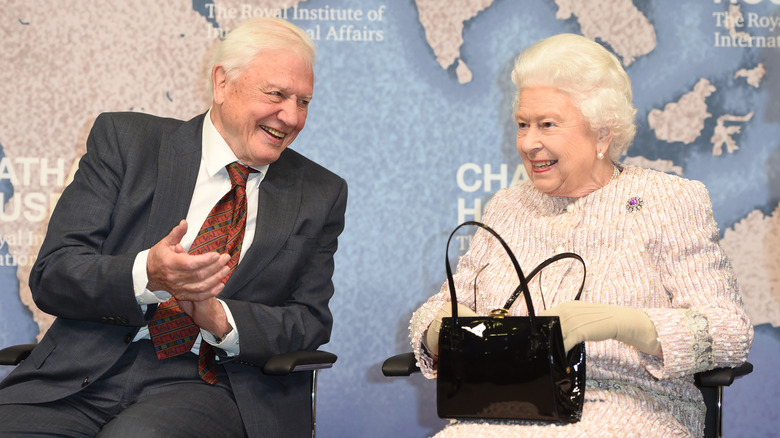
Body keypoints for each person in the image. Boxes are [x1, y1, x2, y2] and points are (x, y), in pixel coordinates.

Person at [0, 17, 347, 438]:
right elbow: (53, 274)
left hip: (208, 383)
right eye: (276, 94)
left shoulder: (319, 193)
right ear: (222, 83)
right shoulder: (126, 142)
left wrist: (218, 317)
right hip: (79, 375)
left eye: (304, 101)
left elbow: (308, 320)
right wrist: (148, 274)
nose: (291, 116)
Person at [410, 33, 752, 437]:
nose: (529, 142)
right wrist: (442, 328)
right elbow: (435, 310)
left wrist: (624, 323)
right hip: (504, 410)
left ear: (602, 133)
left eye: (547, 125)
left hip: (632, 406)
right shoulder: (506, 207)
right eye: (523, 125)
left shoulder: (669, 200)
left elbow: (730, 331)